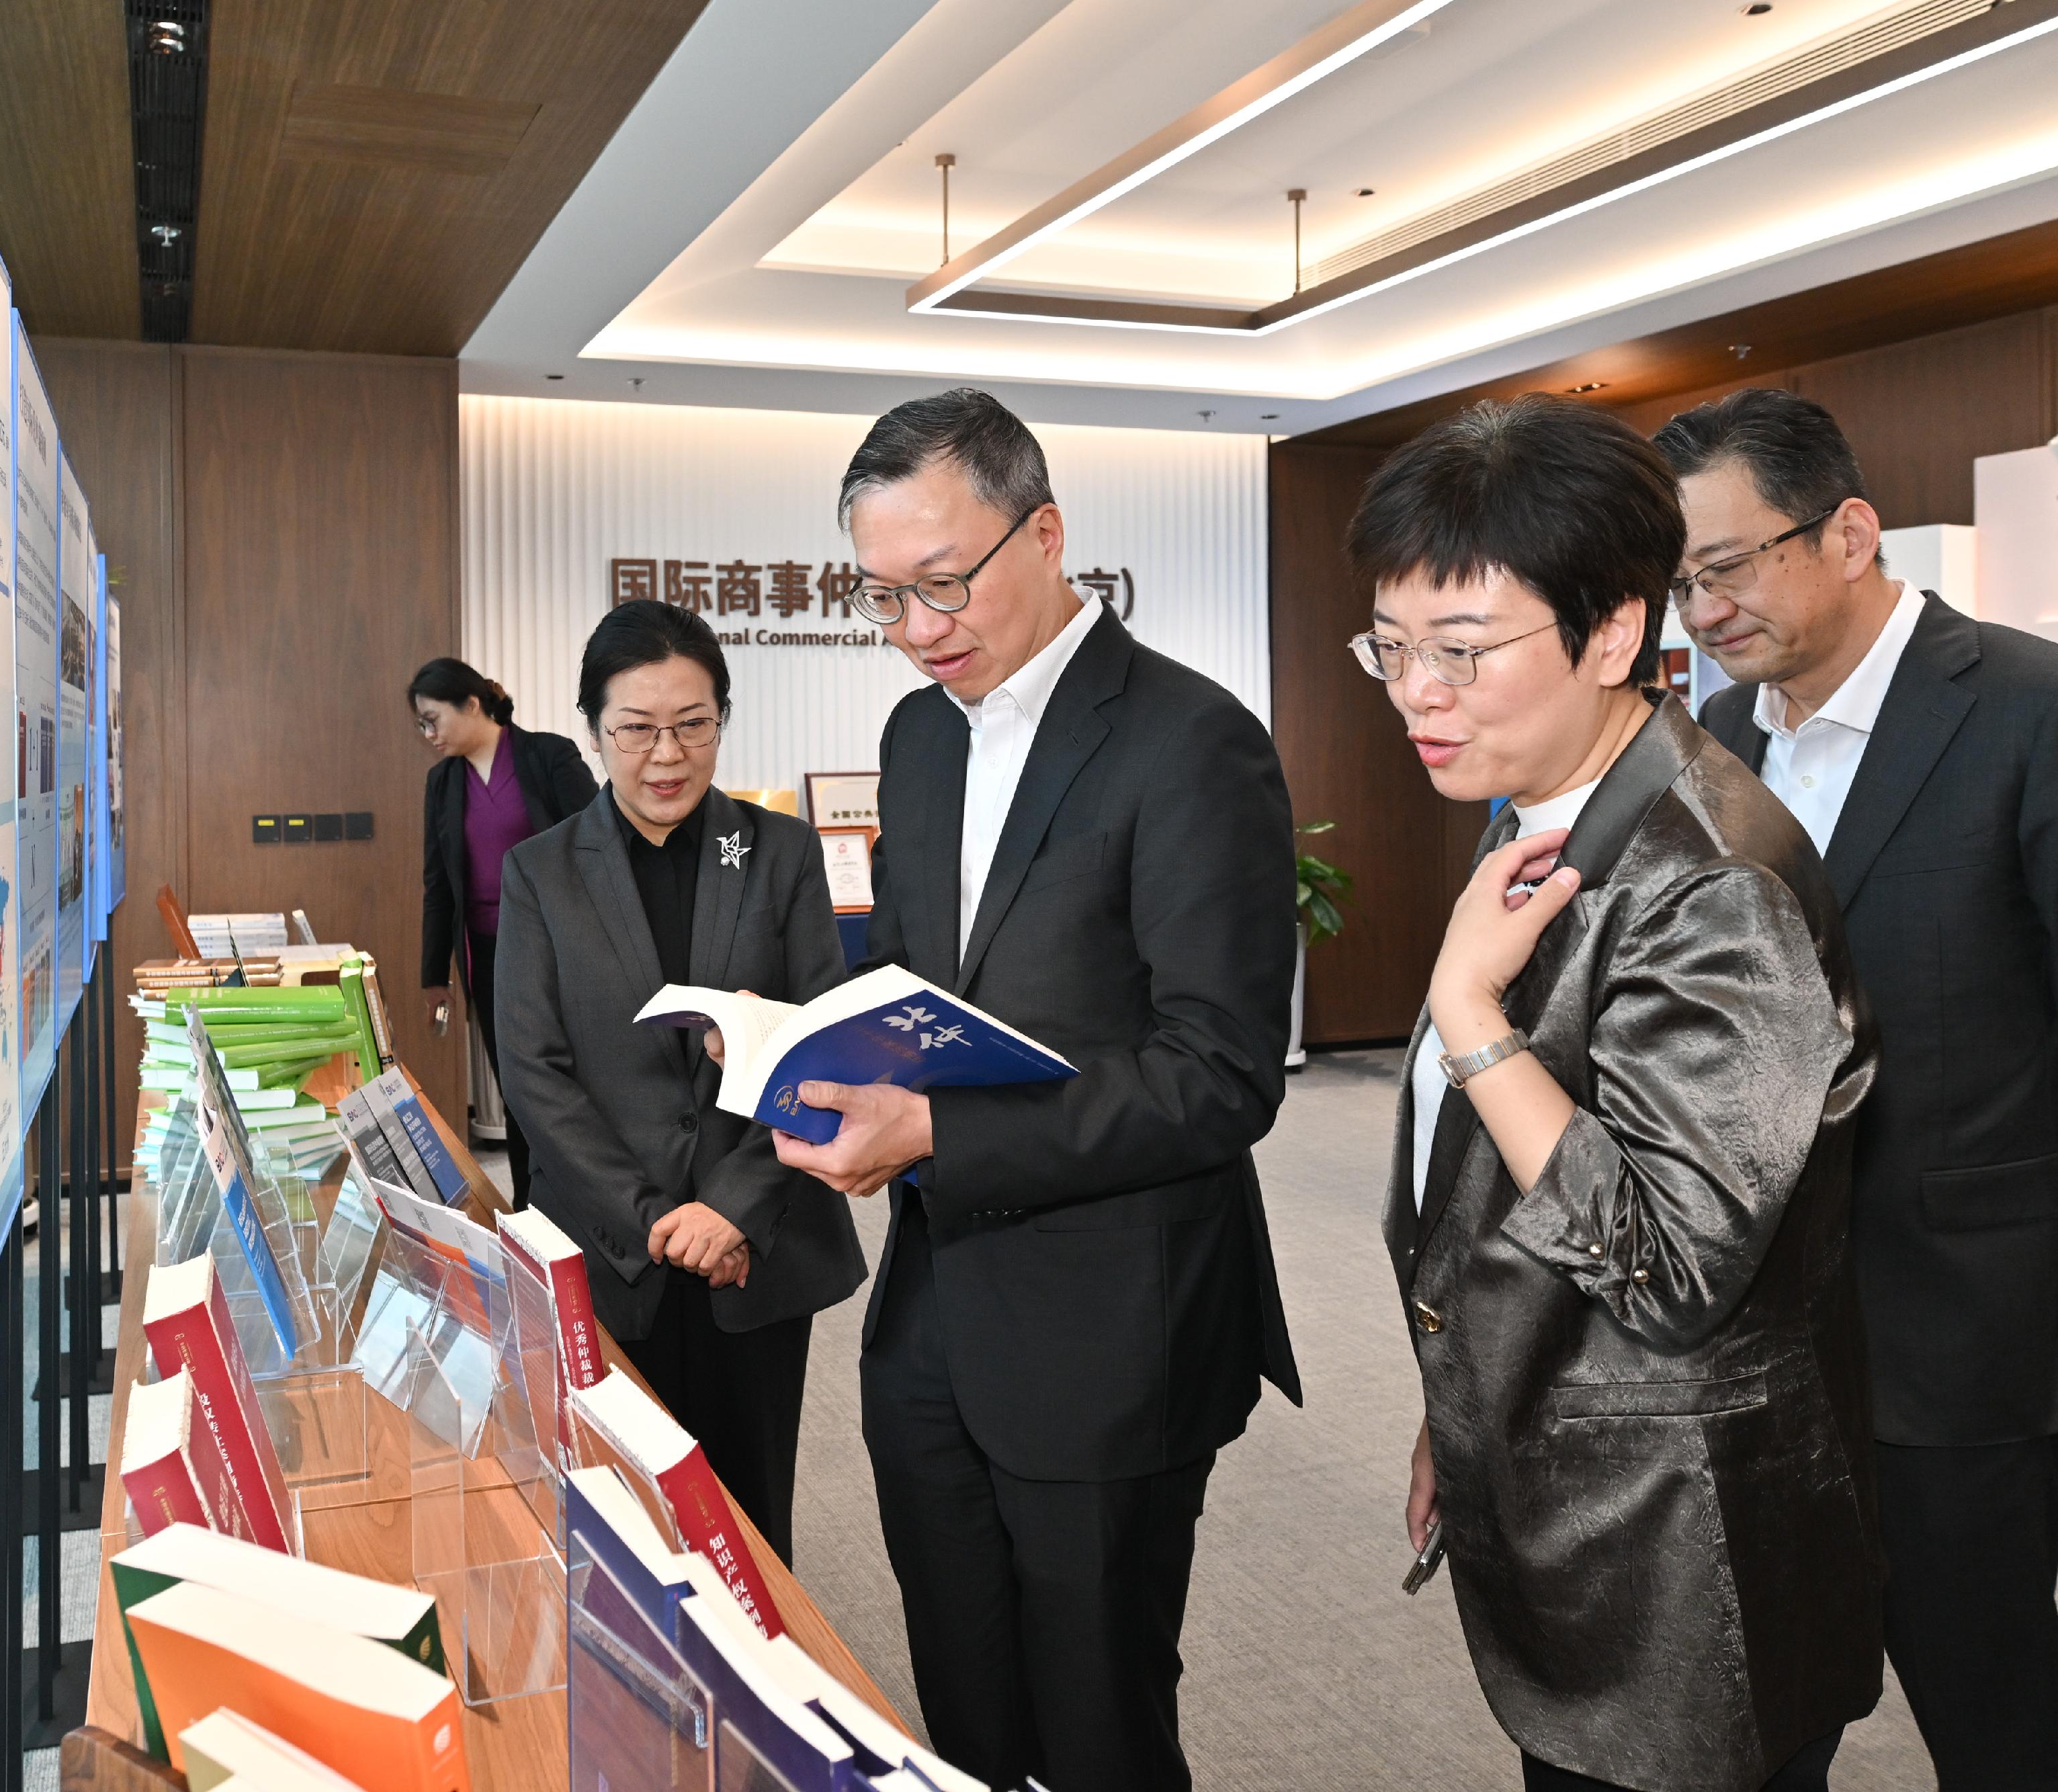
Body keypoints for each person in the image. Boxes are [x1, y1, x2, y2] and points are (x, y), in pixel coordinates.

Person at [1348, 394, 1883, 1792]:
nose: (1415, 691)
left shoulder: (1709, 877)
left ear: (1608, 632)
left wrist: (1472, 1020)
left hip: (1677, 1559)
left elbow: (1660, 1265)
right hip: (1569, 1482)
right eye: (1391, 647)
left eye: (1460, 652)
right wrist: (1457, 1398)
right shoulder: (1550, 809)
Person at [768, 388, 1299, 1792]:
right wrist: (818, 1054)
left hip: (1114, 1324)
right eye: (882, 597)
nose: (918, 627)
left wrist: (940, 1125)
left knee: (1099, 1718)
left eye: (942, 583)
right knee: (967, 1705)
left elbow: (1222, 1070)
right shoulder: (915, 737)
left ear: (1046, 531)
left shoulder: (1189, 739)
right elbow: (936, 987)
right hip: (934, 1314)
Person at [1656, 388, 2058, 1791]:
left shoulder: (2026, 708)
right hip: (1756, 1355)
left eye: (1723, 565)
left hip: (1966, 1353)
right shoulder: (1714, 744)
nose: (1698, 610)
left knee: (1998, 1717)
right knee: (1758, 1731)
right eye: (1678, 578)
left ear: (1846, 531)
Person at [492, 602, 864, 1560]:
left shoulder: (776, 851)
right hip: (617, 1252)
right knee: (624, 1521)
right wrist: (657, 1216)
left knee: (750, 1521)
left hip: (760, 1240)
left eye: (693, 723)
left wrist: (731, 1209)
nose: (667, 753)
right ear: (594, 728)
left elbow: (821, 1039)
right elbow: (535, 1071)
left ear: (721, 721)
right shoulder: (542, 870)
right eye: (637, 727)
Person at [410, 657, 596, 1197]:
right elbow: (439, 885)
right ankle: (530, 1203)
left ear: (472, 704)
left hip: (560, 948)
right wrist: (433, 977)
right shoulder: (442, 783)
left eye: (432, 718)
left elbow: (596, 844)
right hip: (489, 955)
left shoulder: (547, 755)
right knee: (517, 1084)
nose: (428, 734)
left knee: (572, 1079)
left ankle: (585, 1199)